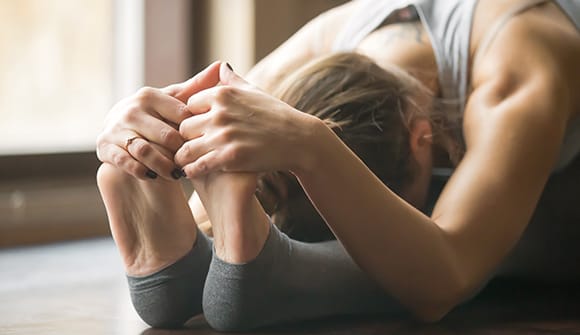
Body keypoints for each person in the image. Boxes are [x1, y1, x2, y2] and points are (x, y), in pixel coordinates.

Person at [96, 0, 580, 331]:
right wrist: (149, 140)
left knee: (491, 240)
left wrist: (312, 144)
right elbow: (240, 167)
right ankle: (214, 272)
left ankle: (274, 269)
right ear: (421, 136)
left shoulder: (517, 74)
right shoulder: (329, 44)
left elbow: (447, 278)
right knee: (268, 195)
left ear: (421, 137)